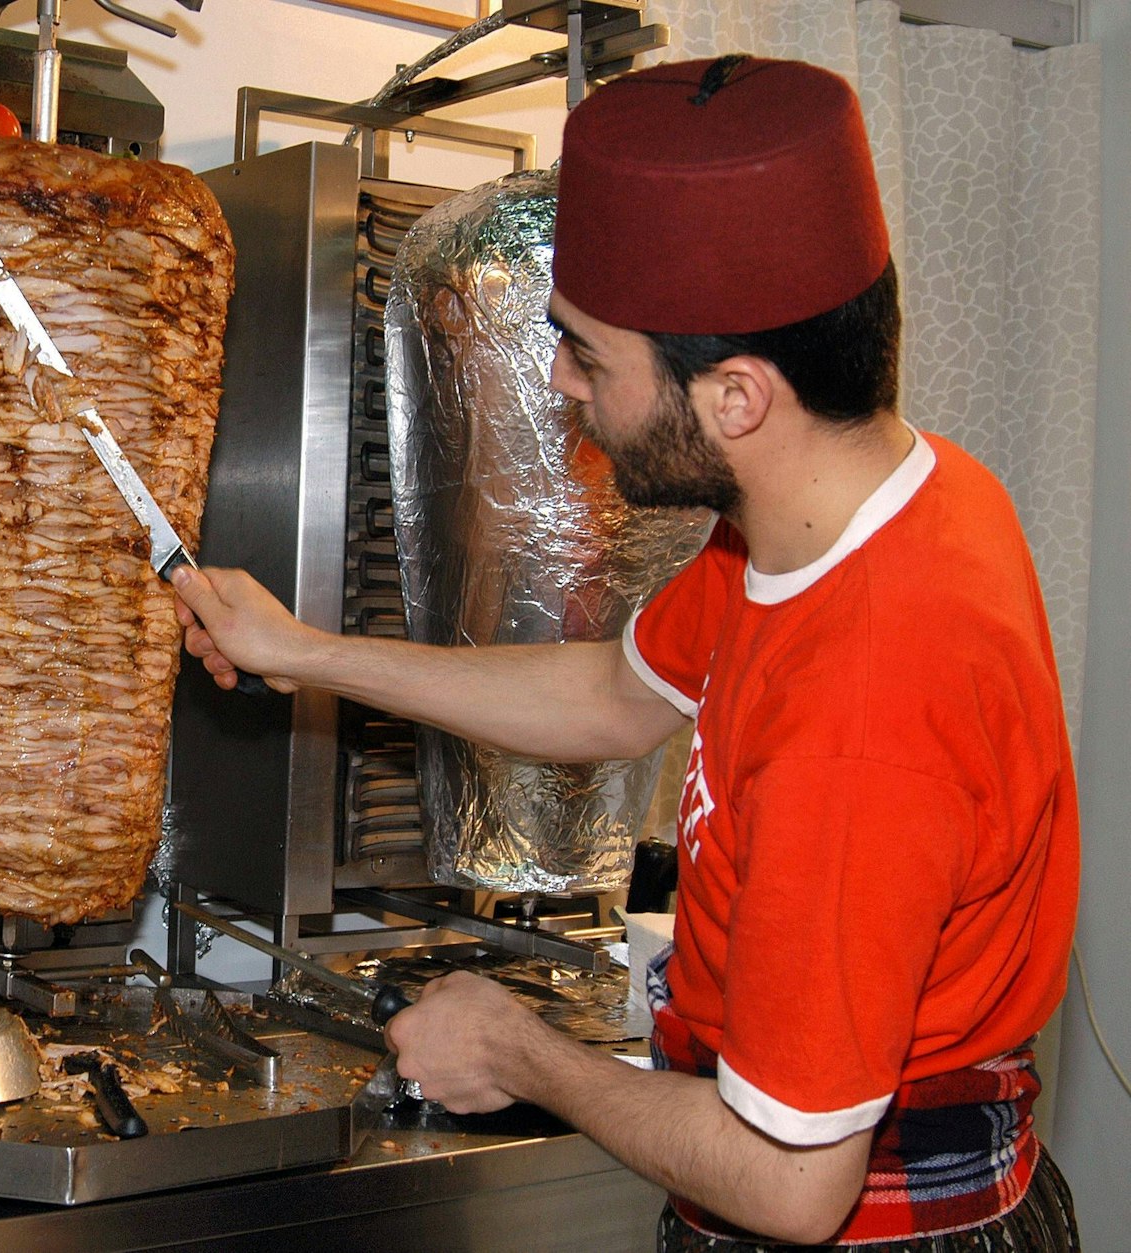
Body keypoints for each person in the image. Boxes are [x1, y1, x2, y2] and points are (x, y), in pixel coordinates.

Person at [172, 54, 1081, 1250]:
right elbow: (613, 690)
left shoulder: (861, 716)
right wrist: (308, 653)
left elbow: (786, 1181)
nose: (559, 383)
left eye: (591, 356)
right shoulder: (884, 501)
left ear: (735, 398)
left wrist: (518, 1051)